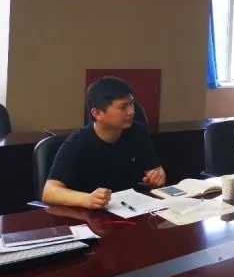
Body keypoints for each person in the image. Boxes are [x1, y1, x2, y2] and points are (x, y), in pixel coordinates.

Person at [42, 76, 165, 210]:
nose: (131, 111)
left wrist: (157, 178)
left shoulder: (138, 132)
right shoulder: (77, 143)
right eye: (123, 107)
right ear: (97, 114)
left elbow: (155, 170)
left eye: (132, 104)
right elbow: (49, 192)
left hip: (129, 209)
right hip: (89, 214)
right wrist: (87, 199)